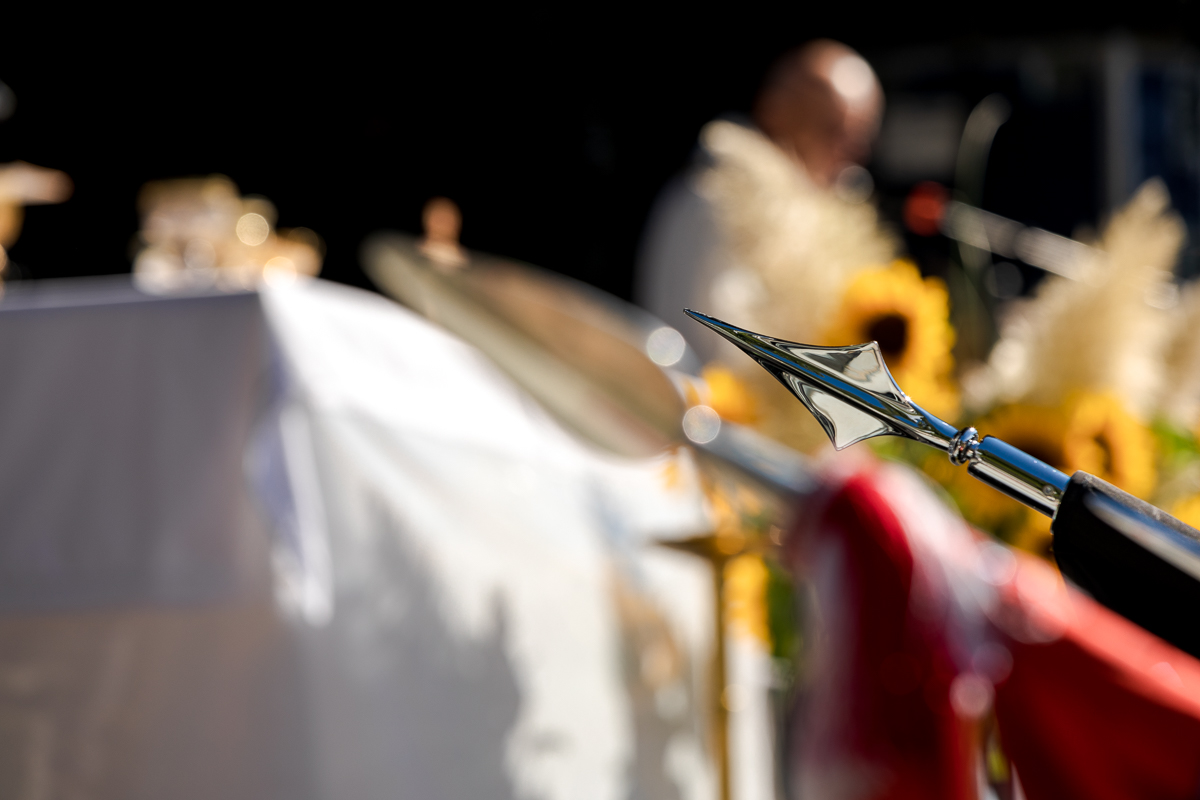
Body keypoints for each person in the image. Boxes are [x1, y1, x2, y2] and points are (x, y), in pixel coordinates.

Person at [635, 40, 884, 362]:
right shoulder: (716, 198)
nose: (854, 152)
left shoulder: (814, 213)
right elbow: (712, 353)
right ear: (775, 109)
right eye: (833, 129)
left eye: (862, 137)